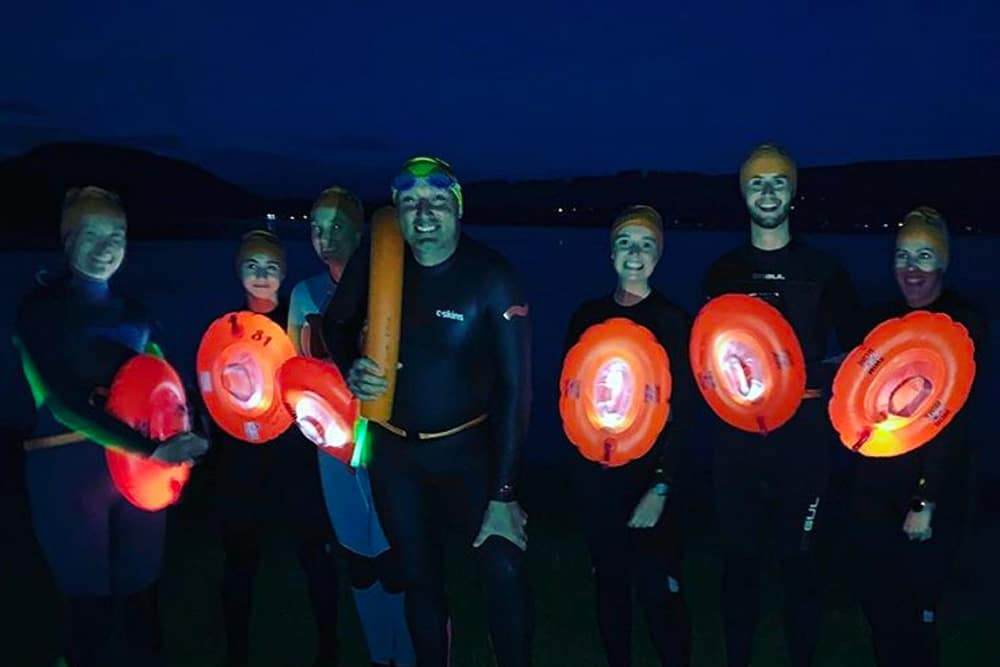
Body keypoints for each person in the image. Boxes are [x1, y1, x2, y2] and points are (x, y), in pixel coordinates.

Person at [322, 156, 533, 667]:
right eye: (410, 203)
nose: (423, 214)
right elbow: (335, 324)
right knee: (418, 579)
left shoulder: (491, 277)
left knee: (502, 569)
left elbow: (515, 388)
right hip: (396, 455)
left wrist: (504, 493)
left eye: (437, 202)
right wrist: (351, 367)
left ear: (457, 211)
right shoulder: (378, 256)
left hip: (469, 453)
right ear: (396, 210)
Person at [11, 186, 208, 666]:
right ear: (67, 239)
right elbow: (60, 402)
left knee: (143, 600)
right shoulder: (41, 311)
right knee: (89, 613)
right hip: (68, 472)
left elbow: (169, 386)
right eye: (91, 234)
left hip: (141, 471)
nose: (106, 247)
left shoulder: (134, 313)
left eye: (116, 234)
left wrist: (194, 431)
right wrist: (149, 448)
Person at [701, 144, 861, 667]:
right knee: (738, 562)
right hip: (736, 439)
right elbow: (705, 354)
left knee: (801, 564)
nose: (767, 192)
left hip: (805, 439)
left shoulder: (824, 269)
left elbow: (862, 354)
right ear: (742, 193)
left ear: (793, 193)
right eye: (756, 183)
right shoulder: (723, 272)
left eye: (778, 183)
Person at [850, 207, 989, 667]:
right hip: (876, 489)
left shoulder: (963, 322)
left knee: (918, 614)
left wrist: (925, 501)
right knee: (878, 606)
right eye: (903, 256)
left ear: (943, 263)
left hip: (931, 495)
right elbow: (855, 392)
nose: (912, 269)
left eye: (924, 255)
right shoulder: (880, 320)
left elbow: (957, 420)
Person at [288, 186, 414, 667]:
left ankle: (409, 652)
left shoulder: (390, 287)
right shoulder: (304, 295)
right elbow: (296, 373)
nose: (324, 237)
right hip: (333, 450)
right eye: (316, 227)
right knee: (357, 559)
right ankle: (380, 652)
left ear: (359, 229)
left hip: (387, 442)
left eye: (336, 225)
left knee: (394, 554)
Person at [562, 205, 693, 667]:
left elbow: (683, 413)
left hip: (652, 480)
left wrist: (661, 486)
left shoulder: (672, 319)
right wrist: (582, 474)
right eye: (625, 243)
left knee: (659, 589)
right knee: (610, 584)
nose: (634, 254)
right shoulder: (587, 316)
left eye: (645, 245)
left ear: (658, 254)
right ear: (610, 251)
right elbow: (571, 399)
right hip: (599, 477)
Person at [212, 230, 340, 667]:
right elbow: (211, 389)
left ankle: (328, 647)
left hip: (293, 456)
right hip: (241, 458)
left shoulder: (299, 319)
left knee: (314, 551)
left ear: (283, 273)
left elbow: (321, 375)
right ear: (238, 271)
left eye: (270, 267)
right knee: (240, 558)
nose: (262, 275)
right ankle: (236, 651)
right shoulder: (224, 327)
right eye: (252, 265)